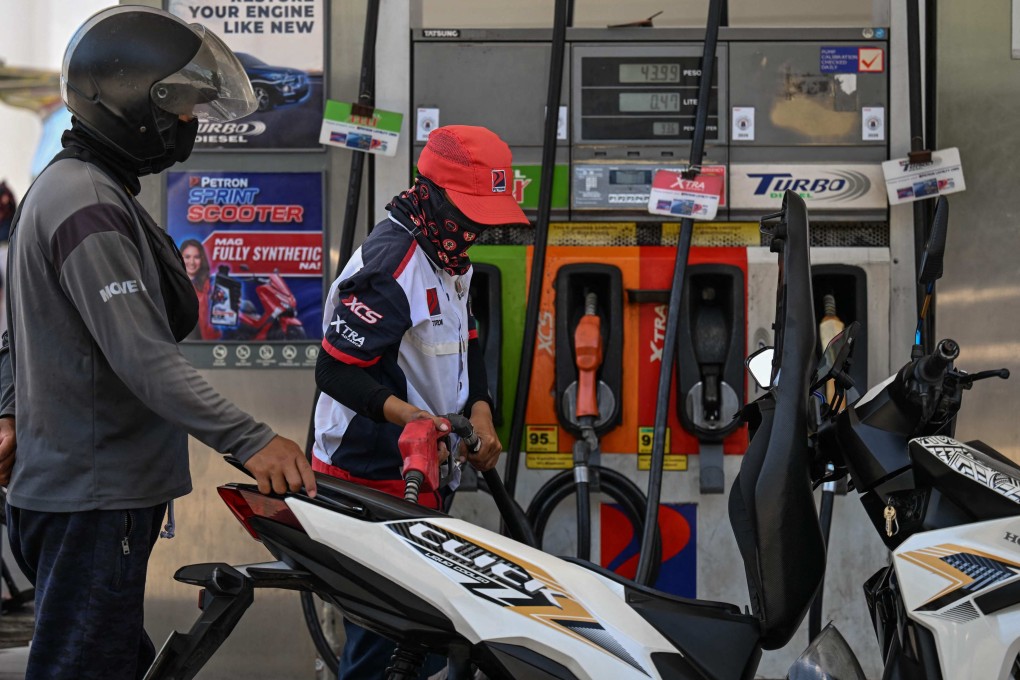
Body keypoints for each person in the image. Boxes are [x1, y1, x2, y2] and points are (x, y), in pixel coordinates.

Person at [0, 7, 316, 679]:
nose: (189, 124)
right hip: (93, 500)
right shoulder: (86, 201)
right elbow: (143, 358)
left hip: (89, 497)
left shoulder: (75, 188)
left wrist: (8, 410)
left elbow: (23, 326)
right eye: (178, 109)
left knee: (111, 660)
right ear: (131, 108)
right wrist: (254, 439)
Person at [313, 124, 529, 678]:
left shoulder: (451, 253)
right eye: (470, 213)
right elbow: (335, 370)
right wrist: (413, 419)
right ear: (430, 194)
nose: (478, 227)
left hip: (427, 474)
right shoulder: (392, 263)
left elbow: (466, 337)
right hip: (370, 480)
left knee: (427, 635)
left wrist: (479, 409)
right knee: (384, 648)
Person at [180, 238, 219, 340]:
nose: (192, 262)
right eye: (187, 257)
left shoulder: (211, 286)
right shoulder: (171, 284)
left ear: (202, 259)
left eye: (196, 257)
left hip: (205, 344)